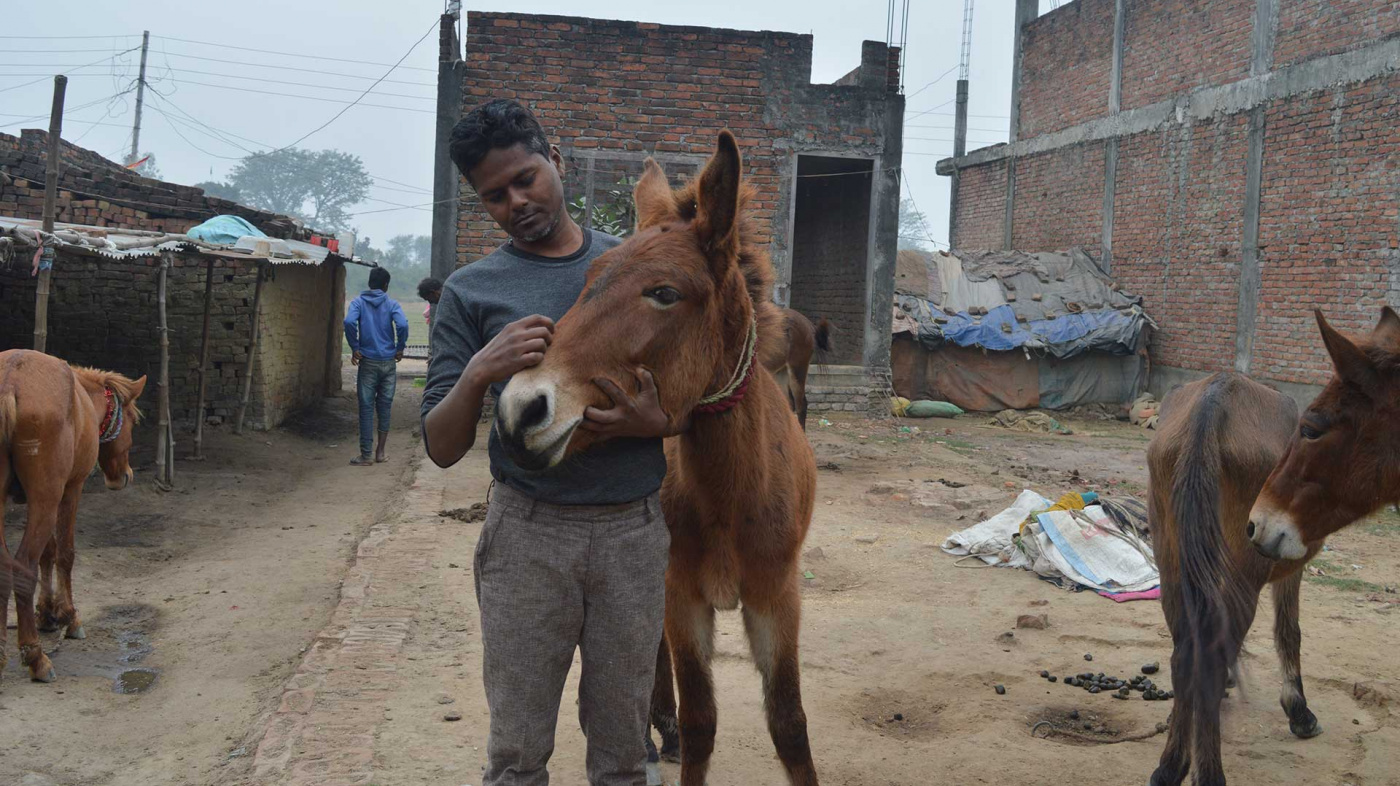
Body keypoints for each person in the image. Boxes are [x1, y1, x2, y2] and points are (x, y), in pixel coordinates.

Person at [421, 99, 677, 786]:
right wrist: (480, 369)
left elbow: (698, 393)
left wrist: (658, 425)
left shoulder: (634, 268)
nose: (516, 202)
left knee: (624, 749)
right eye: (495, 196)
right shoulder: (473, 292)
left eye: (526, 178)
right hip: (527, 536)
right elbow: (440, 446)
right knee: (517, 751)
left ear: (555, 162)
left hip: (631, 531)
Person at [344, 267, 408, 466]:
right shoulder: (391, 304)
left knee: (366, 407)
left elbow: (348, 322)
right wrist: (399, 348)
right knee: (384, 406)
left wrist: (355, 347)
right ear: (386, 285)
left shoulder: (358, 303)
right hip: (389, 362)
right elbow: (403, 325)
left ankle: (366, 455)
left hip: (368, 361)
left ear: (369, 283)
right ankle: (380, 452)